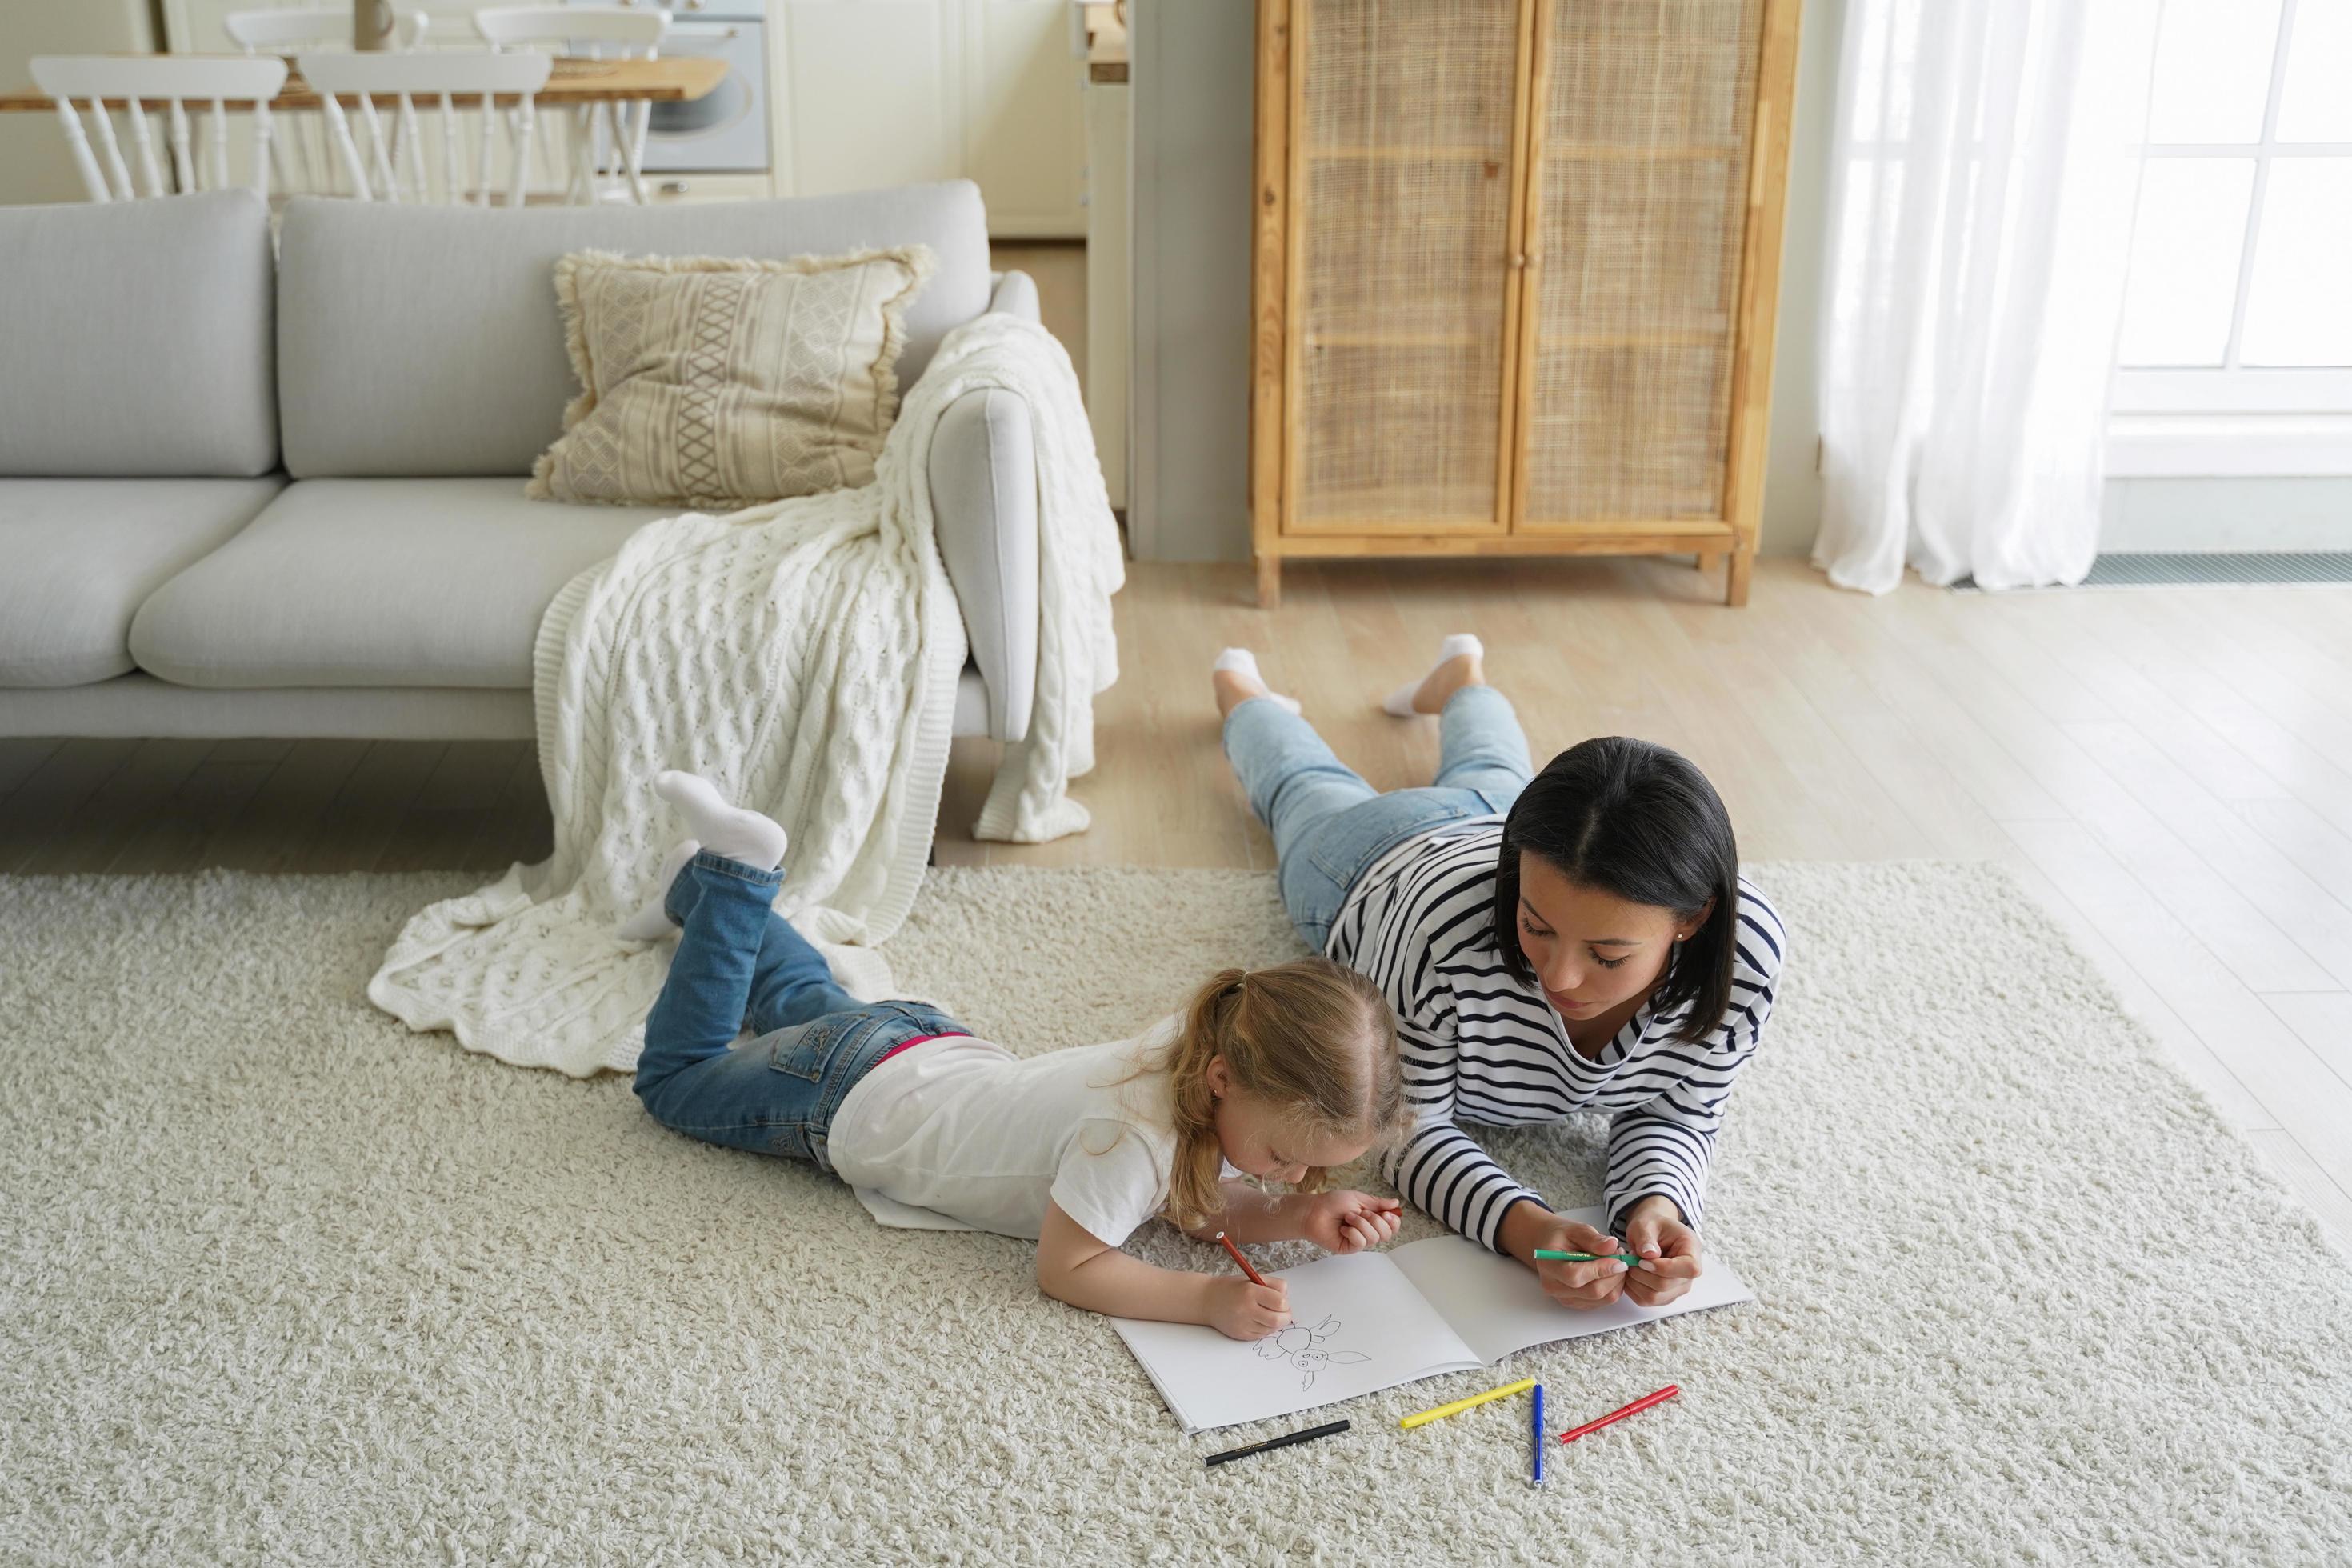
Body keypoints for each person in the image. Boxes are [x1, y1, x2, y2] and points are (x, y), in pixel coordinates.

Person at [622, 771, 1413, 1341]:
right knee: (677, 1078)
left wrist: (1301, 1215)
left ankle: (697, 884)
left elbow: (1194, 1201)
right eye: (1285, 1156)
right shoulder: (1130, 1140)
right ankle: (734, 876)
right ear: (1223, 1081)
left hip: (914, 1042)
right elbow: (1068, 1267)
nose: (1291, 1173)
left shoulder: (1209, 1038)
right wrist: (1203, 1300)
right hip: (846, 1099)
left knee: (796, 996)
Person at [1209, 636, 1786, 1313]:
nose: (1559, 976)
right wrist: (1528, 1228)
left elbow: (1680, 1112)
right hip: (1376, 856)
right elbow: (1406, 1129)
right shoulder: (1439, 932)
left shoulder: (1745, 956)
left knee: (1490, 767)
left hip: (1503, 817)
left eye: (1607, 954)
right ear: (1521, 875)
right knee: (1301, 784)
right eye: (1535, 927)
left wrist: (1659, 1206)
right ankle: (1239, 689)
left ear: (1694, 918)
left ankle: (1462, 674)